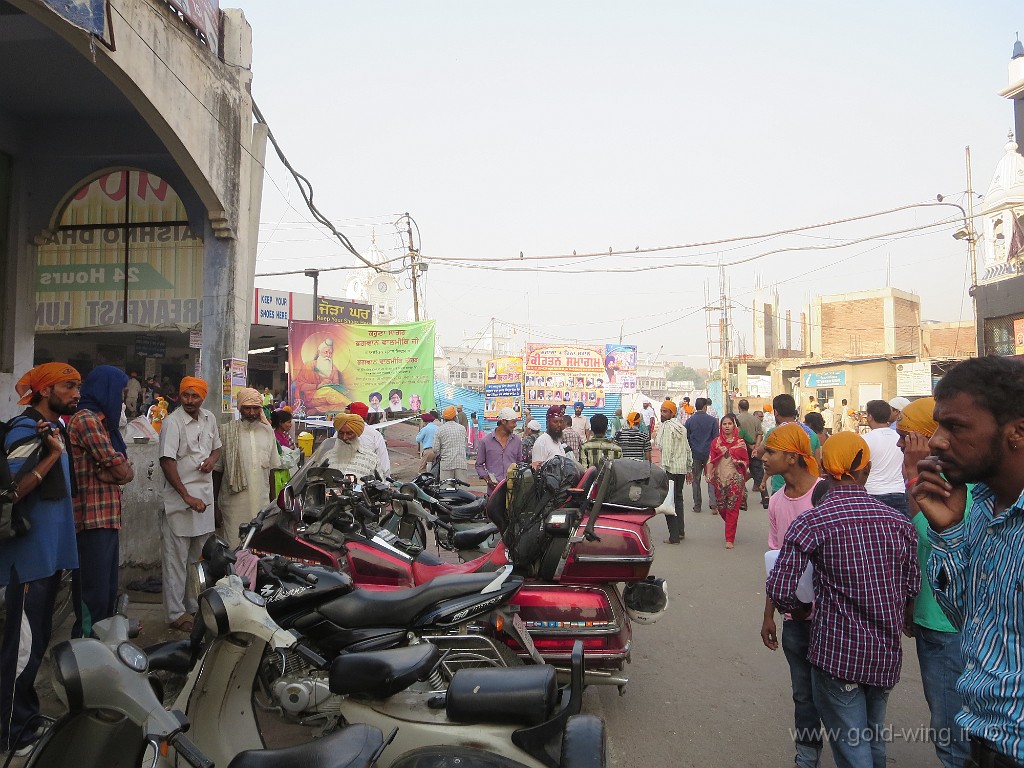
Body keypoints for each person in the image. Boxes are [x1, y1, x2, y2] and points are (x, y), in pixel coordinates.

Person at [768, 432, 919, 768]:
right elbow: (911, 587)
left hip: (838, 655)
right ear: (866, 470)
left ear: (822, 467)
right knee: (872, 738)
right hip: (884, 655)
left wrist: (800, 608)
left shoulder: (813, 522)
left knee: (853, 749)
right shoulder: (899, 522)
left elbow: (779, 588)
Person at [912, 357, 1024, 767]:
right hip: (981, 742)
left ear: (1016, 432)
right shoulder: (979, 508)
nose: (937, 441)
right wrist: (948, 531)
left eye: (956, 427)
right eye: (939, 425)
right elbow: (970, 620)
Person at [1, 364, 81, 754]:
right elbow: (12, 492)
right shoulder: (25, 429)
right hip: (28, 560)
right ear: (45, 390)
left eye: (78, 385)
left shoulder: (57, 430)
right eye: (68, 386)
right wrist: (51, 455)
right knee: (21, 651)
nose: (75, 392)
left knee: (35, 647)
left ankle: (27, 720)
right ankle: (11, 733)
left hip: (49, 556)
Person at [895, 396, 970, 768]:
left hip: (949, 627)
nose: (897, 445)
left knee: (950, 729)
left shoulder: (961, 491)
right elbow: (918, 547)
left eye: (905, 436)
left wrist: (913, 473)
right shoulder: (935, 484)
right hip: (931, 617)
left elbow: (935, 543)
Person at [758, 423, 823, 768]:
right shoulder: (777, 503)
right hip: (794, 618)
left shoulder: (825, 495)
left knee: (837, 696)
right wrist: (769, 614)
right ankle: (807, 755)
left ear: (793, 457)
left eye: (770, 451)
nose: (762, 456)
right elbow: (777, 563)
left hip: (831, 618)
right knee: (803, 694)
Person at [67, 365, 134, 639]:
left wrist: (114, 470)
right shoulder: (86, 420)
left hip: (106, 518)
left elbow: (124, 470)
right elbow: (122, 471)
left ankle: (101, 650)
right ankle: (84, 650)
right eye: (120, 393)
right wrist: (115, 470)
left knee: (106, 592)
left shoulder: (102, 422)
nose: (121, 399)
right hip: (91, 520)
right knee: (92, 594)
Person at [159, 376, 221, 633]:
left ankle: (194, 606)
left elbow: (217, 448)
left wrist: (212, 461)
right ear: (180, 396)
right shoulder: (172, 422)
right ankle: (175, 613)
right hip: (180, 502)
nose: (190, 401)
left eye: (195, 396)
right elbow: (167, 461)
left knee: (198, 561)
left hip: (204, 500)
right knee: (175, 561)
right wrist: (185, 496)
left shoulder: (209, 418)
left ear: (203, 397)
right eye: (186, 396)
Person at [213, 388, 280, 548]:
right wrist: (214, 505)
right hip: (233, 504)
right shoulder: (226, 431)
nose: (251, 413)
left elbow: (271, 470)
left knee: (259, 548)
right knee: (233, 547)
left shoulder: (268, 432)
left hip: (261, 504)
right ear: (240, 408)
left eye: (255, 408)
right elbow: (217, 471)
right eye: (247, 408)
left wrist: (273, 503)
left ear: (261, 409)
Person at [756, 394, 822, 498]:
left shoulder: (774, 433)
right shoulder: (812, 434)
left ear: (776, 412)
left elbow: (759, 454)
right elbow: (818, 465)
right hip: (808, 489)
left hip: (781, 489)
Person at [705, 414, 749, 549]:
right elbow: (712, 459)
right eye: (724, 424)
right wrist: (708, 473)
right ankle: (731, 524)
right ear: (721, 426)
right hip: (720, 479)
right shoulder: (716, 442)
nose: (727, 426)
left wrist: (737, 460)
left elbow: (746, 461)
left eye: (729, 424)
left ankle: (729, 538)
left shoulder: (740, 442)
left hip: (735, 479)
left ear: (734, 425)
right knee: (722, 508)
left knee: (732, 508)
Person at [861, 399, 908, 517]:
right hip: (899, 492)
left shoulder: (864, 440)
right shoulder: (900, 438)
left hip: (872, 493)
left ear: (870, 416)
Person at [655, 400, 692, 544]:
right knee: (678, 499)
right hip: (680, 469)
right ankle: (680, 531)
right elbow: (688, 448)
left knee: (668, 502)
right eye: (662, 411)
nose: (662, 414)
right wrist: (689, 468)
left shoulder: (667, 427)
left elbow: (667, 450)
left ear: (672, 413)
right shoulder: (681, 427)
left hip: (669, 469)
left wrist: (663, 471)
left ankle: (674, 536)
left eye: (665, 411)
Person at [475, 407, 522, 491]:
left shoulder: (517, 441)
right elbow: (479, 465)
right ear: (503, 421)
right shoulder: (485, 441)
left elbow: (520, 464)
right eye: (513, 422)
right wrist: (487, 479)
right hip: (494, 491)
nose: (515, 425)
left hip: (513, 491)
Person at [686, 398, 719, 513]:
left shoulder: (690, 421)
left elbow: (687, 439)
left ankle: (697, 505)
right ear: (705, 407)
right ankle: (713, 504)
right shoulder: (712, 421)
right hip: (709, 454)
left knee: (696, 480)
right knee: (710, 478)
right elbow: (716, 439)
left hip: (695, 453)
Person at [327, 413, 381, 478]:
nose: (344, 438)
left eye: (349, 433)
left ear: (356, 434)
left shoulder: (372, 459)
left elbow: (381, 483)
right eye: (341, 433)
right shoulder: (328, 457)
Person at [736, 398, 766, 510]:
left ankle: (741, 499)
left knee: (739, 474)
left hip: (740, 450)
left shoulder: (736, 419)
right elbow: (760, 434)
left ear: (739, 407)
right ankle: (765, 497)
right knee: (758, 474)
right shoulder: (755, 420)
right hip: (753, 448)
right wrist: (756, 447)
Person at [347, 402, 391, 477]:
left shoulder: (341, 432)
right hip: (364, 477)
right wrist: (386, 481)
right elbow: (384, 463)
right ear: (366, 417)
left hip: (363, 480)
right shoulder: (375, 434)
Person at [433, 406, 470, 483]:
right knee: (461, 491)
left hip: (446, 464)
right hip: (461, 464)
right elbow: (465, 445)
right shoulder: (462, 429)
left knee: (446, 491)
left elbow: (435, 449)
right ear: (455, 417)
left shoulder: (440, 430)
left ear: (444, 418)